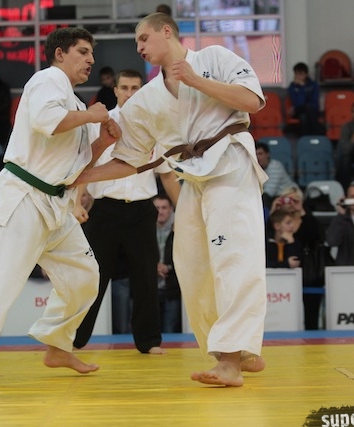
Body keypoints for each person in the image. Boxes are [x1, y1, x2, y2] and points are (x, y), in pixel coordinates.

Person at [70, 13, 267, 386]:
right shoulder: (146, 100)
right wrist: (82, 176)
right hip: (193, 176)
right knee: (189, 264)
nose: (139, 47)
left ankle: (230, 359)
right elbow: (130, 160)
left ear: (166, 31)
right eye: (136, 42)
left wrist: (196, 80)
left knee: (233, 257)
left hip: (230, 163)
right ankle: (237, 350)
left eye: (144, 38)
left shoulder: (213, 59)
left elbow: (253, 101)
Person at [0, 27, 121, 389]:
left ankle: (57, 343)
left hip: (55, 205)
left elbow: (77, 168)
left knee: (85, 276)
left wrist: (101, 142)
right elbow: (46, 122)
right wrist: (92, 117)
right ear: (59, 54)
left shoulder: (77, 104)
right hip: (23, 198)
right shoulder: (47, 80)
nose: (91, 59)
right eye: (83, 51)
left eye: (92, 53)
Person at [73, 69, 179, 354]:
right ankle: (75, 339)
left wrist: (183, 212)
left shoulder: (154, 124)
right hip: (105, 209)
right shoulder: (99, 123)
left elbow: (168, 175)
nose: (130, 93)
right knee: (91, 276)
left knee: (145, 277)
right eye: (125, 88)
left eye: (135, 88)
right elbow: (84, 167)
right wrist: (76, 202)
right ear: (116, 90)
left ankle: (149, 341)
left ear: (141, 91)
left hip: (142, 210)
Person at [269, 186, 325, 330]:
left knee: (310, 315)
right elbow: (266, 238)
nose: (290, 203)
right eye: (286, 199)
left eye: (294, 200)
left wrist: (301, 210)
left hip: (308, 274)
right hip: (281, 275)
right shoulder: (276, 221)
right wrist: (273, 212)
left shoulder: (307, 220)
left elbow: (317, 237)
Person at [154, 193, 182, 333]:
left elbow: (185, 256)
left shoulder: (181, 228)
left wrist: (169, 267)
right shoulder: (144, 228)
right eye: (157, 208)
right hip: (151, 289)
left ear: (171, 209)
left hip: (173, 288)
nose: (160, 211)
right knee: (152, 332)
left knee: (171, 330)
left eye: (164, 207)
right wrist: (153, 267)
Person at [255, 142, 296, 208]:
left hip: (290, 194)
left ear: (267, 154)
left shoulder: (275, 166)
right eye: (255, 154)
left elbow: (269, 192)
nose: (257, 157)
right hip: (275, 197)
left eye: (260, 154)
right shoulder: (255, 168)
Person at [287, 62, 323, 136]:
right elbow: (298, 103)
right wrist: (302, 88)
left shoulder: (314, 85)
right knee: (307, 108)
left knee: (304, 116)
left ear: (306, 74)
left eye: (301, 74)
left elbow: (315, 102)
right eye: (296, 74)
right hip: (298, 110)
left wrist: (302, 88)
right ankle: (318, 134)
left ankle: (306, 139)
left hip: (312, 110)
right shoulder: (292, 86)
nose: (298, 77)